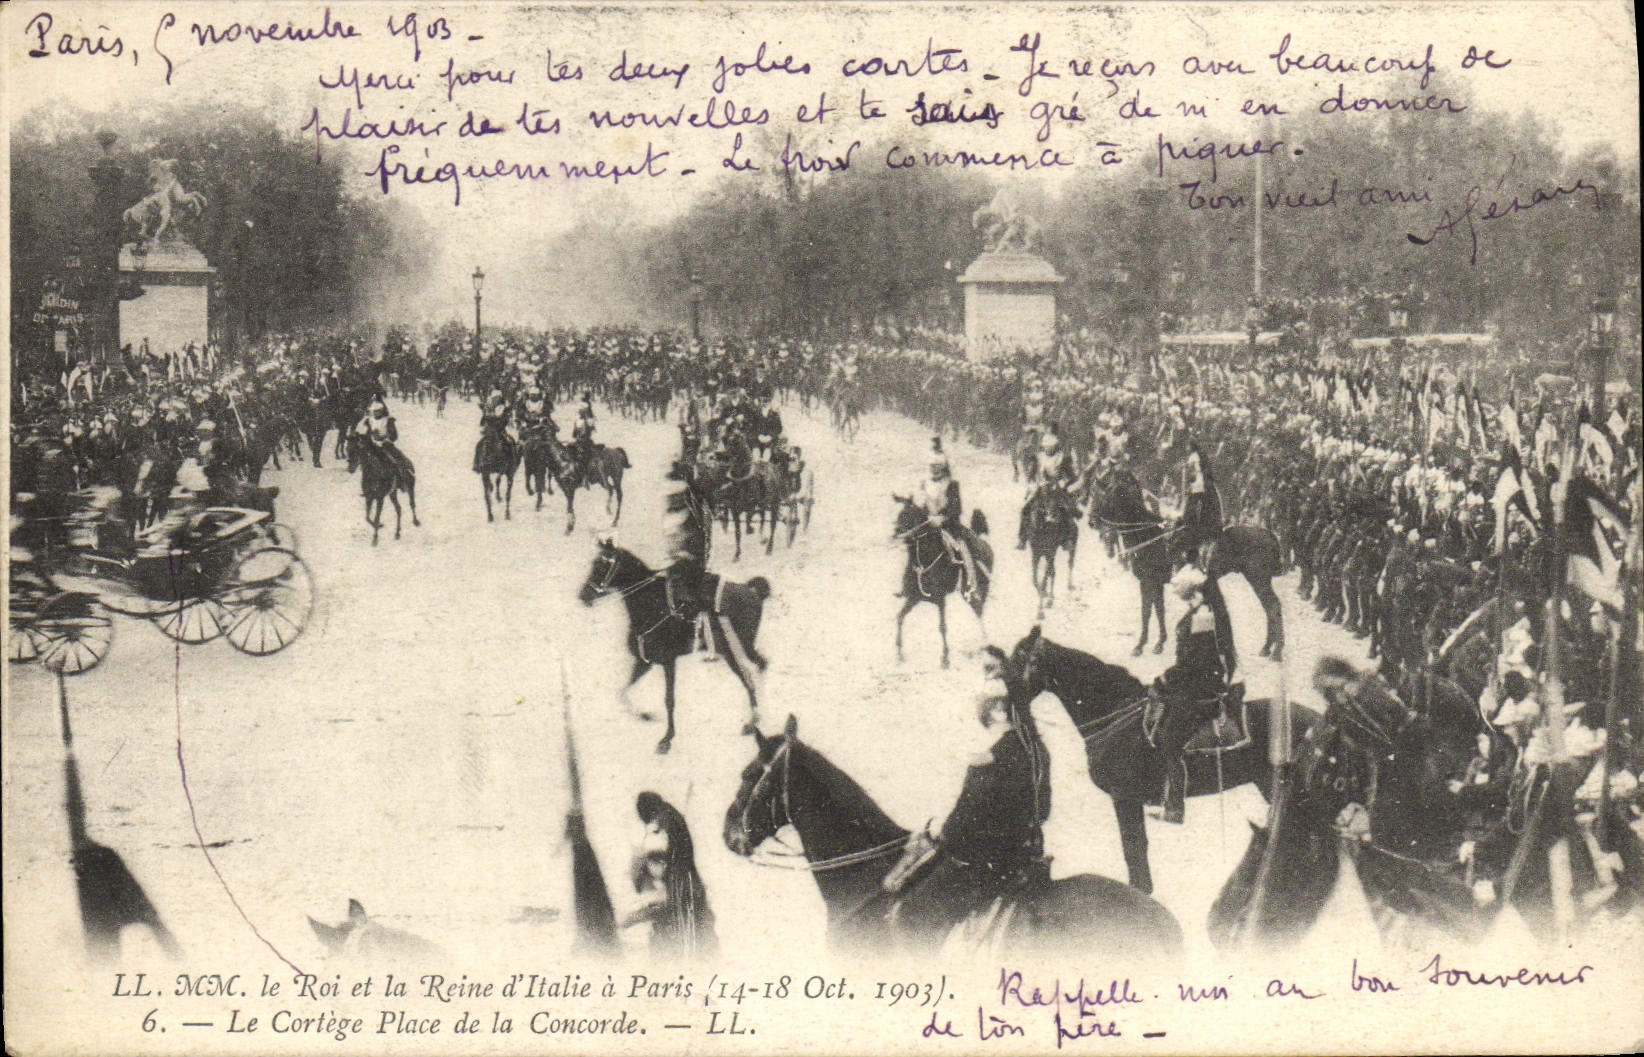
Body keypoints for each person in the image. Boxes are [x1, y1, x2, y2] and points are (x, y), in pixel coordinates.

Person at [887, 652, 1050, 946]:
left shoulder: (996, 754)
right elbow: (1043, 810)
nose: (983, 713)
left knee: (911, 915)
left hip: (984, 860)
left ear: (1000, 710)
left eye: (985, 707)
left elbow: (971, 813)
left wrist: (941, 833)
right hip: (1023, 854)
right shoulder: (1035, 748)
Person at [1146, 565, 1232, 824]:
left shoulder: (1203, 615)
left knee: (1171, 740)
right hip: (1192, 680)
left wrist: (1165, 678)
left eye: (1178, 587)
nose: (1174, 590)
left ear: (1190, 590)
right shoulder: (1198, 611)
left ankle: (1175, 808)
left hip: (1199, 685)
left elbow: (1195, 660)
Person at [624, 791, 718, 960]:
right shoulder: (670, 816)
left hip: (678, 884)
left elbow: (659, 856)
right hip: (686, 880)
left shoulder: (660, 828)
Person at [910, 438, 981, 604]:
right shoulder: (925, 484)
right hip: (929, 525)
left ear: (942, 467)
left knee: (962, 548)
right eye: (931, 467)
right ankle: (911, 581)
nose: (934, 470)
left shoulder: (951, 484)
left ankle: (971, 584)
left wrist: (943, 517)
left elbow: (957, 508)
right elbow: (920, 505)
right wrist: (924, 516)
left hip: (949, 526)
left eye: (937, 467)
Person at [662, 455, 713, 631]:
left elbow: (699, 543)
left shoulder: (692, 518)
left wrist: (684, 555)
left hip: (690, 562)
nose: (671, 500)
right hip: (673, 561)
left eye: (675, 497)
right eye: (670, 497)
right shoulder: (669, 516)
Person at [1018, 423, 1080, 549]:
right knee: (1026, 509)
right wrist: (1033, 484)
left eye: (1051, 447)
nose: (1048, 449)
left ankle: (1068, 539)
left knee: (1066, 509)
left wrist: (1062, 483)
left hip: (1057, 489)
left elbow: (1069, 475)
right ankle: (1022, 538)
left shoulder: (1062, 458)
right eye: (1046, 447)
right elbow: (1031, 475)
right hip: (1041, 488)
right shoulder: (1038, 458)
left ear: (1055, 446)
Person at [1180, 437, 1223, 563]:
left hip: (1199, 485)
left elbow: (1192, 474)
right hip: (1205, 485)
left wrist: (1188, 483)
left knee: (1192, 506)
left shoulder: (1194, 456)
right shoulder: (1202, 456)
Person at [353, 396, 413, 479]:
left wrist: (386, 437)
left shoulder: (388, 420)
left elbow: (394, 436)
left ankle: (401, 478)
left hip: (386, 444)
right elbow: (367, 434)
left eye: (378, 411)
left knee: (396, 459)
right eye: (375, 411)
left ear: (382, 411)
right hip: (373, 445)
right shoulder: (369, 420)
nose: (376, 413)